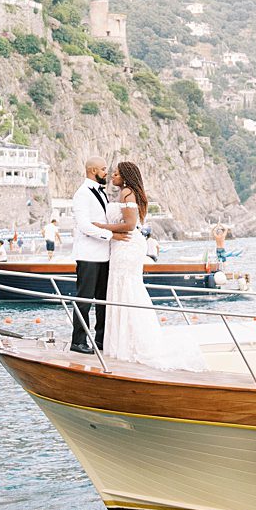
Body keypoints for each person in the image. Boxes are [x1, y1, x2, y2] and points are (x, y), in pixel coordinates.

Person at [94, 162, 205, 371]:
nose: (112, 177)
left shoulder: (127, 192)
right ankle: (123, 342)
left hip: (127, 247)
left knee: (126, 288)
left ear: (125, 177)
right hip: (123, 245)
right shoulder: (127, 192)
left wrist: (102, 227)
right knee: (123, 288)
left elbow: (129, 224)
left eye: (116, 174)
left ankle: (129, 343)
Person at [69, 157, 127, 354]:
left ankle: (101, 339)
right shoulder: (82, 194)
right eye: (103, 169)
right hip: (88, 255)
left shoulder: (101, 192)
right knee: (84, 300)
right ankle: (78, 341)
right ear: (93, 170)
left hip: (105, 255)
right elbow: (85, 226)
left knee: (103, 299)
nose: (106, 173)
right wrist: (112, 235)